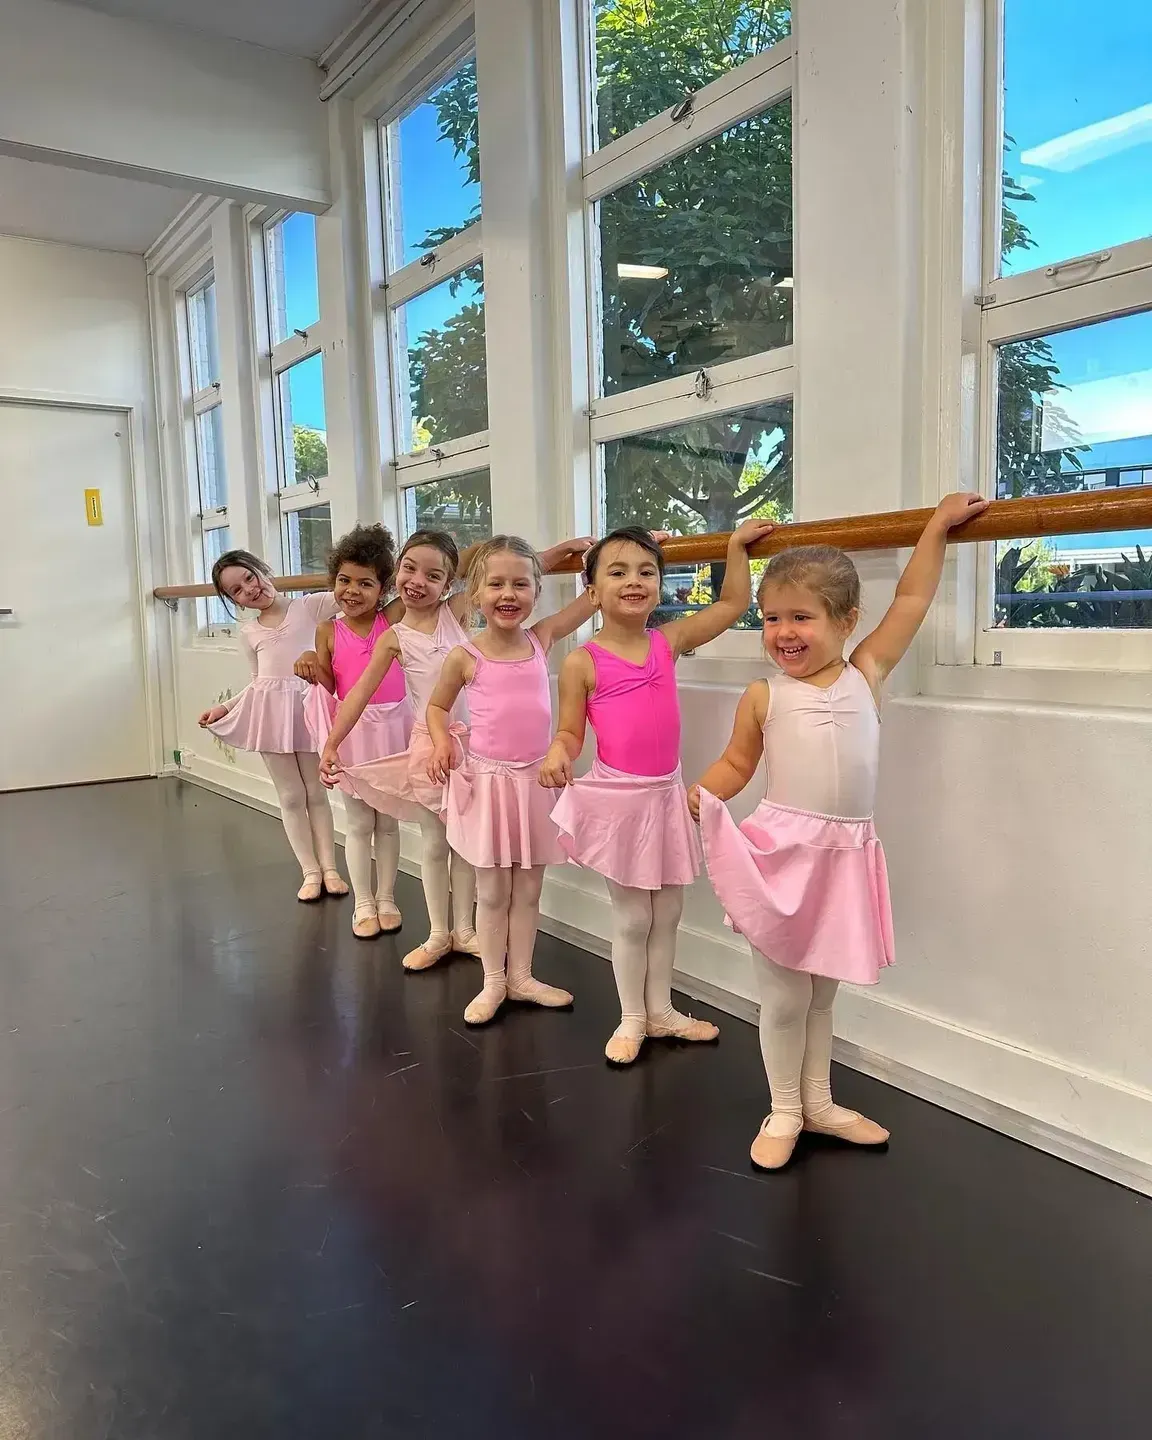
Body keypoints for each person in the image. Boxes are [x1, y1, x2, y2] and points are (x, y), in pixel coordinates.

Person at [690, 492, 989, 1170]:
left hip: (844, 856)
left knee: (822, 992)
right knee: (785, 993)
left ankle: (818, 1103)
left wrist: (935, 527)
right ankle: (785, 1109)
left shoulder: (866, 672)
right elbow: (739, 762)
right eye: (771, 619)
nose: (783, 632)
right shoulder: (765, 695)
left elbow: (911, 600)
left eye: (801, 617)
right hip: (782, 855)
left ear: (848, 620)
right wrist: (703, 792)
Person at [539, 518, 774, 1065]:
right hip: (620, 801)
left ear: (661, 585)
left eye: (646, 570)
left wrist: (735, 547)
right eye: (618, 571)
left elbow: (733, 604)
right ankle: (632, 1016)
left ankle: (662, 1010)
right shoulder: (581, 662)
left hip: (664, 797)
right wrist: (558, 751)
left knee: (667, 911)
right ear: (592, 591)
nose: (634, 580)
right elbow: (572, 730)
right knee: (632, 917)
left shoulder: (667, 642)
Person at [317, 529, 591, 972]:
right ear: (396, 573)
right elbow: (359, 694)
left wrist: (558, 551)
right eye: (409, 568)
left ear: (450, 585)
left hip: (478, 750)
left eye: (433, 574)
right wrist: (332, 742)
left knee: (469, 847)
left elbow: (504, 572)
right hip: (433, 748)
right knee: (434, 843)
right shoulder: (394, 636)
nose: (418, 581)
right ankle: (438, 933)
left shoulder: (457, 612)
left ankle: (466, 930)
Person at [426, 536, 596, 1026]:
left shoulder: (540, 640)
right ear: (475, 592)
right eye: (496, 583)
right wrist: (441, 740)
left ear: (537, 592)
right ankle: (493, 982)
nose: (508, 593)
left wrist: (626, 547)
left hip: (535, 784)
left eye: (521, 584)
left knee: (528, 889)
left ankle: (521, 976)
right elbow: (437, 707)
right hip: (489, 785)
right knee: (493, 891)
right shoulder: (465, 656)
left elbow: (593, 597)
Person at [198, 550, 348, 903]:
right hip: (269, 714)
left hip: (308, 708)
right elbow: (257, 682)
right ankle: (309, 871)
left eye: (249, 577)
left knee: (315, 792)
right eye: (236, 590)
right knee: (291, 796)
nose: (248, 590)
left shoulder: (309, 607)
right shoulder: (249, 632)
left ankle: (330, 869)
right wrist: (225, 706)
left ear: (263, 570)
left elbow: (351, 593)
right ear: (233, 600)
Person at [297, 525, 412, 939]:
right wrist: (311, 662)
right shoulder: (328, 629)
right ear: (333, 581)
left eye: (365, 583)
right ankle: (363, 901)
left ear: (384, 589)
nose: (352, 591)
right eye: (344, 581)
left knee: (389, 822)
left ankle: (387, 897)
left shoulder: (393, 618)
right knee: (360, 822)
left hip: (394, 729)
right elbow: (330, 682)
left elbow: (448, 570)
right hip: (353, 733)